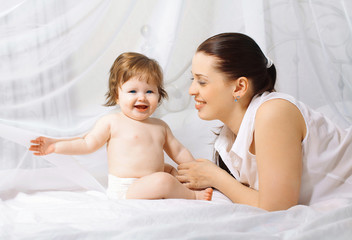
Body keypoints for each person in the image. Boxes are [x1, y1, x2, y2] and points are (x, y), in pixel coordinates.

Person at [176, 32, 352, 211]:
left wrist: (216, 176)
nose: (191, 90)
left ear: (239, 87)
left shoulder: (273, 112)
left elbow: (276, 206)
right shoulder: (229, 136)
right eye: (193, 79)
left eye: (202, 82)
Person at [29, 52, 213, 201]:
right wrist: (55, 146)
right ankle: (192, 195)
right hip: (127, 190)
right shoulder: (112, 122)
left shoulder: (160, 126)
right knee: (163, 179)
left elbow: (178, 151)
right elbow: (86, 144)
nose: (141, 97)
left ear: (159, 95)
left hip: (150, 181)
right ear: (117, 96)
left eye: (149, 91)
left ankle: (181, 186)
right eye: (132, 91)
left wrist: (194, 167)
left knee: (171, 170)